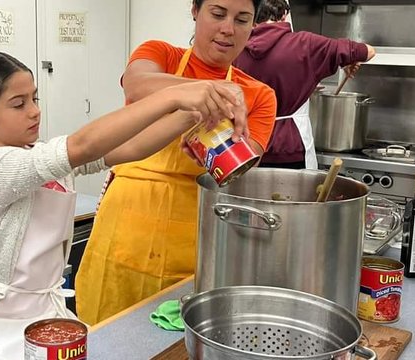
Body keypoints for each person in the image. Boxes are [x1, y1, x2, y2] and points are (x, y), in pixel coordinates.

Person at [0, 50, 241, 359]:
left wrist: (194, 113)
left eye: (35, 99)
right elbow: (83, 145)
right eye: (19, 104)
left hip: (43, 316)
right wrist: (175, 95)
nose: (34, 112)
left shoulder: (35, 155)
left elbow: (131, 146)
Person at [76, 0, 277, 325]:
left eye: (242, 19)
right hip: (123, 234)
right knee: (108, 336)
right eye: (217, 14)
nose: (228, 28)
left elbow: (241, 169)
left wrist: (214, 139)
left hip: (194, 243)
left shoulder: (259, 95)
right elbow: (137, 84)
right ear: (195, 10)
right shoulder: (161, 55)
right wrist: (210, 92)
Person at [233, 0, 376, 169]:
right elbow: (367, 51)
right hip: (292, 145)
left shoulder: (235, 46)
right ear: (284, 16)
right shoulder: (306, 44)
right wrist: (348, 61)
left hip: (248, 145)